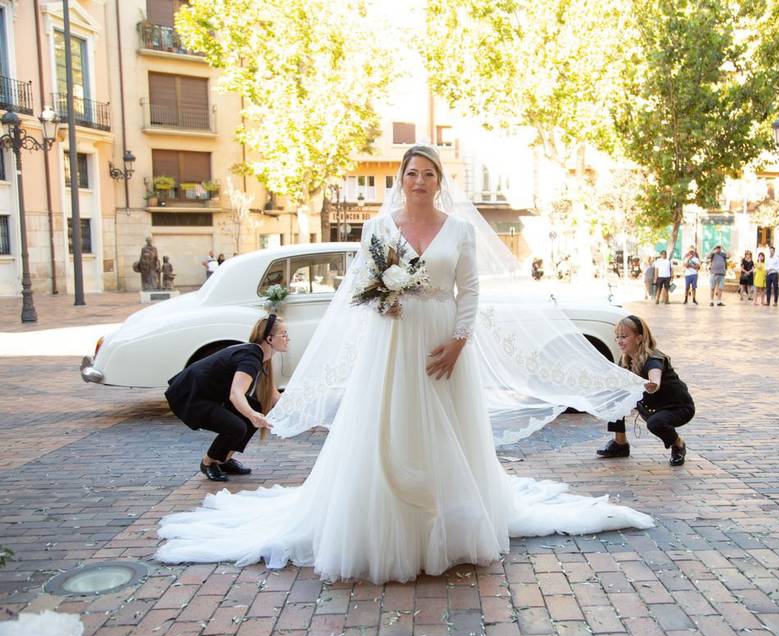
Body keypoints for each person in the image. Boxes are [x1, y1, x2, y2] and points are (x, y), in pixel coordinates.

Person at [156, 145, 654, 584]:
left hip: (441, 338)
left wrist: (460, 342)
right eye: (412, 173)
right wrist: (383, 299)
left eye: (429, 174)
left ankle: (452, 519)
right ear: (402, 178)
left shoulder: (458, 230)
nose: (420, 181)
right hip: (392, 340)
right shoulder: (379, 227)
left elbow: (470, 290)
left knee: (448, 428)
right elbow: (360, 289)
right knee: (390, 423)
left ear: (440, 181)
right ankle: (390, 522)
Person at [164, 315, 288, 482]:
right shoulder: (251, 357)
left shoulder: (262, 356)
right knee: (236, 426)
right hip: (190, 396)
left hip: (211, 394)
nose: (288, 338)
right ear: (270, 338)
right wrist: (251, 415)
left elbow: (273, 395)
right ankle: (208, 463)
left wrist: (302, 412)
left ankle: (223, 460)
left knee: (255, 410)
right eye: (284, 334)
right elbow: (236, 393)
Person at [597, 315, 694, 466]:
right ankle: (620, 444)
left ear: (639, 338)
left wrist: (653, 384)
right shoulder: (626, 359)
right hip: (651, 406)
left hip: (677, 408)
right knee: (613, 396)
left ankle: (678, 444)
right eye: (617, 337)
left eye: (624, 336)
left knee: (656, 423)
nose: (619, 341)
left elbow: (655, 376)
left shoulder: (653, 358)